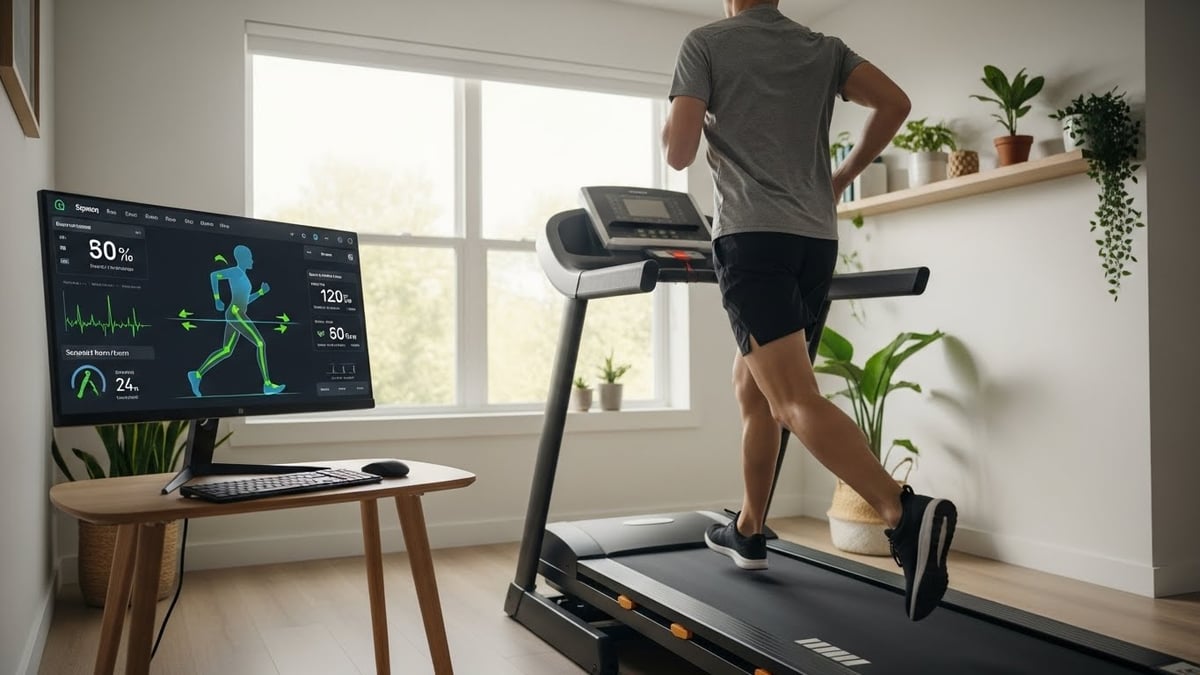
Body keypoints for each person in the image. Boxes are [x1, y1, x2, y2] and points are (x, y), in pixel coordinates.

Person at [661, 0, 957, 621]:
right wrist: (841, 174)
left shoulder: (706, 43)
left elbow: (680, 152)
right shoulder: (823, 48)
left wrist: (686, 121)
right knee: (756, 388)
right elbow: (895, 102)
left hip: (750, 237)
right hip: (815, 239)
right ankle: (749, 527)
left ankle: (903, 511)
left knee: (793, 399)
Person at [187, 244, 286, 397]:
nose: (252, 260)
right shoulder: (235, 272)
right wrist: (217, 300)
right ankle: (267, 384)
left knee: (226, 350)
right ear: (243, 259)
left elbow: (245, 301)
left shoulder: (243, 277)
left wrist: (260, 293)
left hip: (236, 313)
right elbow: (214, 276)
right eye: (250, 257)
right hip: (235, 313)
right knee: (260, 343)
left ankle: (197, 374)